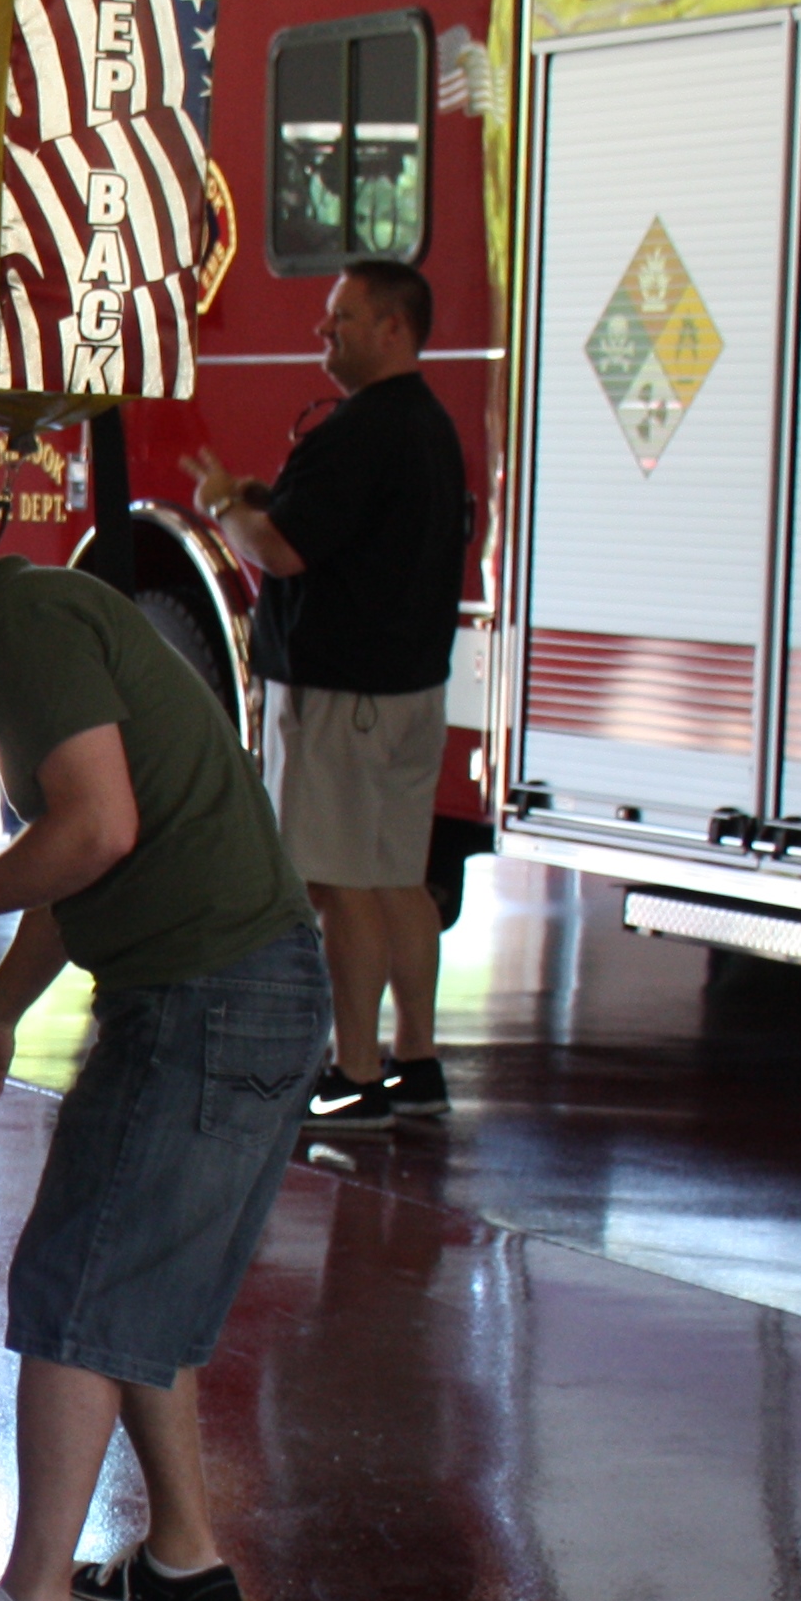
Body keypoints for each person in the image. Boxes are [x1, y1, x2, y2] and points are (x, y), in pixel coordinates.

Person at [0, 478, 328, 1601]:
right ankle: (181, 1567)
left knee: (78, 1289)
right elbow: (97, 844)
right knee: (129, 1285)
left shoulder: (28, 633)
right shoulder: (49, 609)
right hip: (227, 988)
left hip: (207, 995)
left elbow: (93, 830)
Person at [182, 260, 471, 1129]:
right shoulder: (431, 427)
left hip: (341, 696)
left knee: (341, 886)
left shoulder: (360, 432)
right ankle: (415, 1064)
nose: (322, 332)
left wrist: (223, 505)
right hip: (412, 691)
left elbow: (284, 550)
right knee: (396, 884)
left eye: (340, 318)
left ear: (393, 328)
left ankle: (353, 1071)